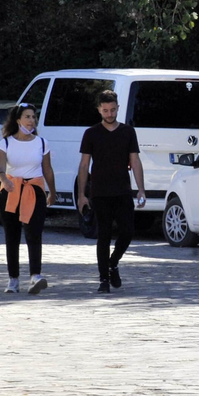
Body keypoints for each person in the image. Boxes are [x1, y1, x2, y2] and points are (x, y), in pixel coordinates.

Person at [77, 90, 145, 294]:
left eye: (113, 109)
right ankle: (103, 280)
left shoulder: (127, 132)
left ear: (118, 108)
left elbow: (135, 161)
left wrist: (141, 189)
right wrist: (82, 194)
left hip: (123, 190)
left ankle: (113, 262)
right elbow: (84, 165)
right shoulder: (91, 133)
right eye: (105, 110)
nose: (109, 113)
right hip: (100, 192)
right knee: (104, 235)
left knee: (128, 232)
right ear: (99, 110)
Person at [0, 103, 56, 295]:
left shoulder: (42, 143)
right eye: (28, 117)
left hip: (34, 190)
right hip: (11, 191)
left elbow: (47, 169)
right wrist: (5, 180)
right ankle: (13, 279)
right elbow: (0, 169)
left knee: (34, 233)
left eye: (34, 117)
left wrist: (52, 191)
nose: (32, 121)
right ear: (18, 119)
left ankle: (35, 275)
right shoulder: (5, 143)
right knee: (12, 235)